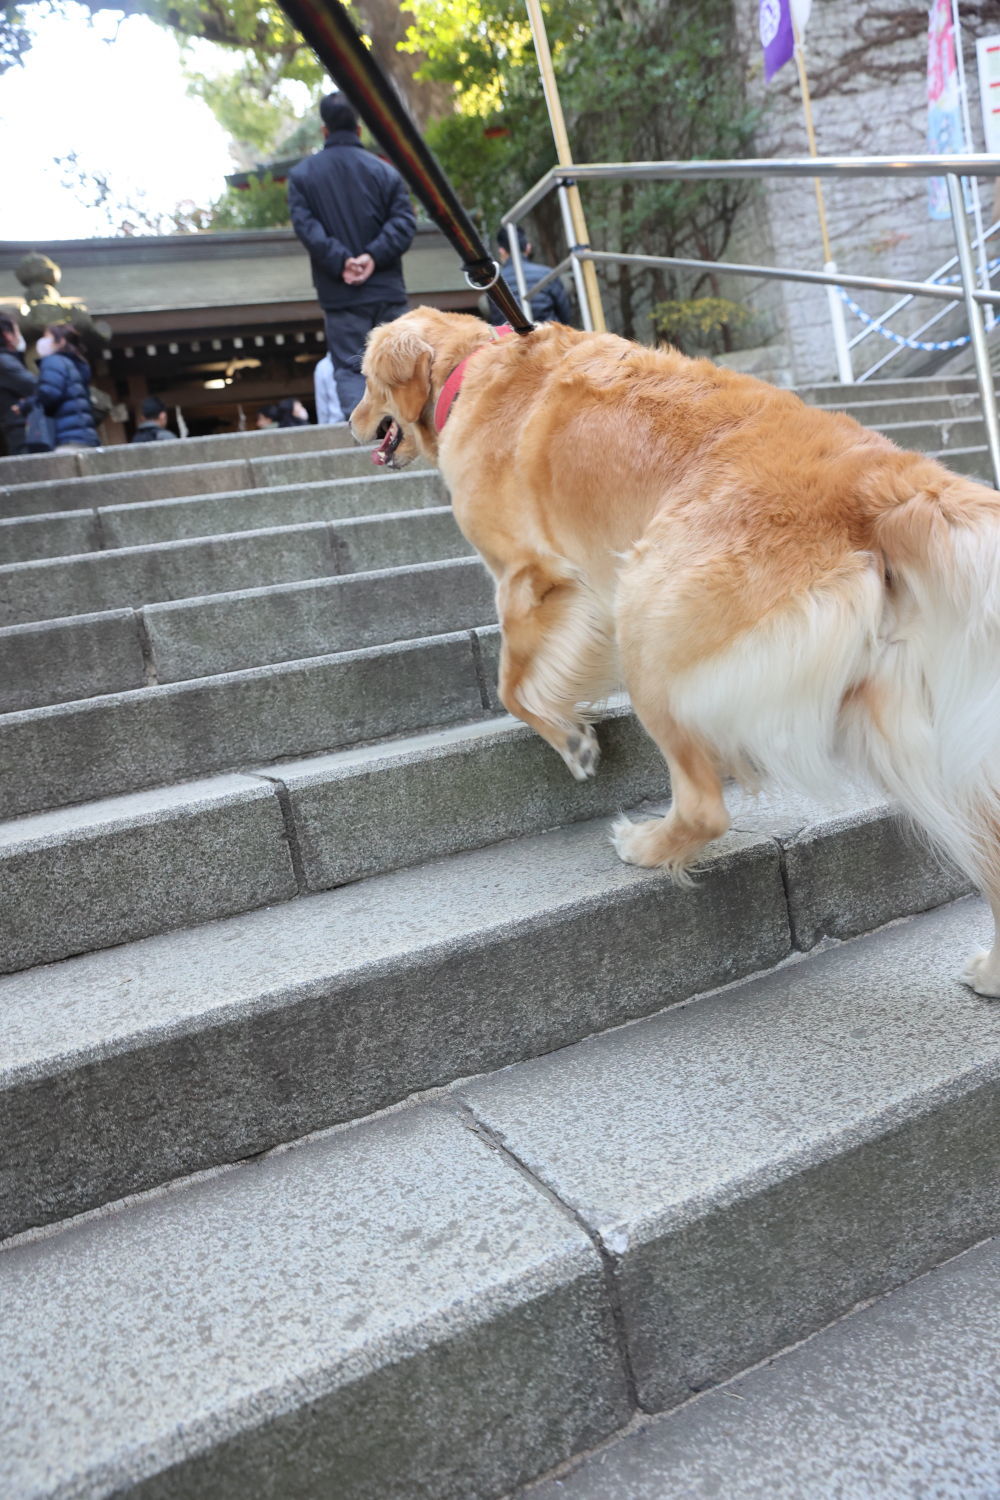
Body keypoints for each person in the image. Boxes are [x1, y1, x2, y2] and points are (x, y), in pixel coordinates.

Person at [288, 91, 416, 417]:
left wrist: (341, 260)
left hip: (340, 291)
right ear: (359, 129)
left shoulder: (302, 176)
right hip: (386, 287)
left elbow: (308, 228)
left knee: (349, 367)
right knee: (398, 362)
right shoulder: (385, 172)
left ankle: (364, 435)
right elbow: (403, 222)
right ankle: (406, 429)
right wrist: (372, 256)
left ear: (324, 130)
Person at [487, 224, 574, 327]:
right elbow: (565, 317)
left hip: (511, 339)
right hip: (547, 336)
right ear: (528, 247)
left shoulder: (494, 281)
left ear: (501, 251)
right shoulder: (547, 274)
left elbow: (496, 320)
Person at [34, 322, 99, 451]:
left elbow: (49, 394)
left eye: (47, 337)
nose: (42, 342)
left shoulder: (53, 361)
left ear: (61, 341)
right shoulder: (77, 362)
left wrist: (28, 404)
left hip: (65, 436)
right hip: (84, 434)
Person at [0, 312, 36, 457]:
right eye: (17, 330)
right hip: (22, 427)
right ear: (7, 334)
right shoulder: (5, 362)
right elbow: (35, 386)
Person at [313, 352, 345, 425]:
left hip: (337, 422)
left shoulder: (323, 366)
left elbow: (322, 403)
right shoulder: (323, 366)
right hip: (338, 422)